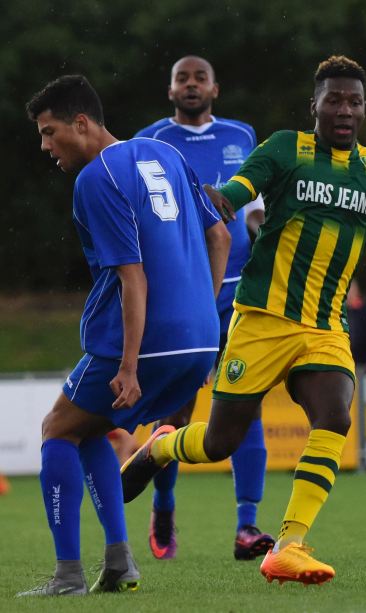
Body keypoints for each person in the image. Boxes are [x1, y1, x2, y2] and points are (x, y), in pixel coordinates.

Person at [120, 55, 366, 585]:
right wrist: (215, 200)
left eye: (355, 102)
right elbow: (236, 192)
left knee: (335, 417)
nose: (345, 110)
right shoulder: (285, 148)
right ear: (316, 105)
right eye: (335, 100)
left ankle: (289, 543)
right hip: (261, 318)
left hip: (324, 326)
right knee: (218, 443)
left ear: (364, 110)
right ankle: (160, 447)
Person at [20, 75, 230, 596]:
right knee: (90, 428)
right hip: (201, 337)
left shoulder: (96, 178)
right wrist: (205, 326)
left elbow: (131, 276)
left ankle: (67, 575)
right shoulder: (164, 153)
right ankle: (118, 563)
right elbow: (221, 235)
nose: (46, 146)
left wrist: (130, 364)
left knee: (57, 429)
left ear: (83, 123)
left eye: (49, 132)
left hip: (143, 341)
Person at [135, 55, 272, 562]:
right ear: (170, 90)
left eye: (199, 78)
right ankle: (165, 503)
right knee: (177, 410)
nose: (191, 85)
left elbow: (256, 215)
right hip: (186, 293)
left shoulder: (241, 134)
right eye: (181, 78)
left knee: (246, 399)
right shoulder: (149, 141)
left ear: (216, 87)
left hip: (240, 296)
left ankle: (247, 524)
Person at [345, 279, 366, 365]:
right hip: (344, 361)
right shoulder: (338, 312)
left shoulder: (364, 311)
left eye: (353, 290)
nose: (350, 293)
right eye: (348, 290)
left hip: (361, 362)